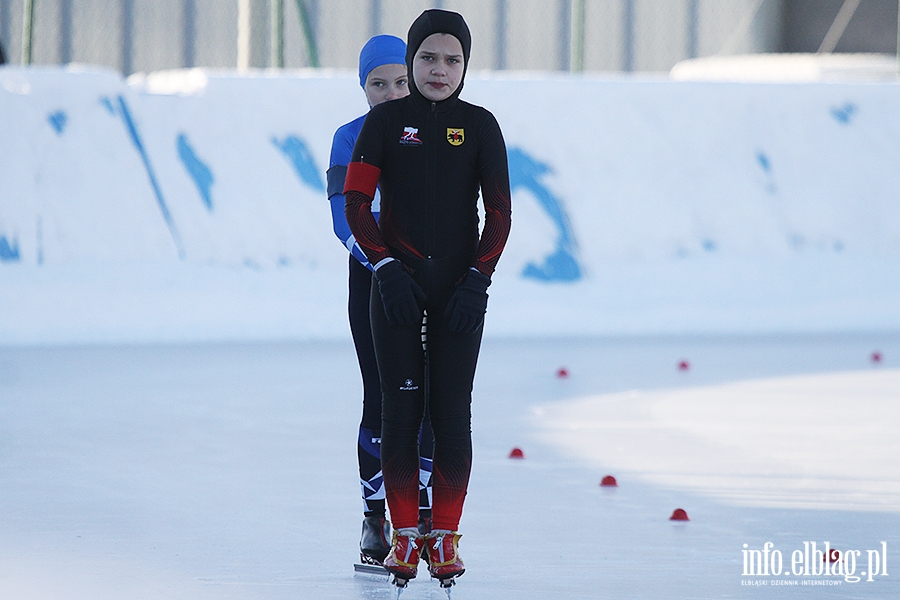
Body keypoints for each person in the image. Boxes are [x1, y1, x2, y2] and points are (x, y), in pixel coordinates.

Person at [344, 9, 512, 585]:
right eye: (428, 58)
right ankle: (402, 537)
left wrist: (478, 280)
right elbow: (357, 205)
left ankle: (444, 535)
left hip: (458, 294)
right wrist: (386, 268)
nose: (440, 70)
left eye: (453, 59)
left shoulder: (482, 125)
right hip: (396, 289)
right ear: (412, 60)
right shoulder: (385, 123)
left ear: (466, 65)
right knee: (399, 411)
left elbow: (500, 213)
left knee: (451, 416)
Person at [326, 34, 435, 567]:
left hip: (431, 281)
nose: (391, 94)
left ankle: (430, 518)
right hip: (374, 283)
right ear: (364, 88)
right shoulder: (349, 138)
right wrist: (385, 267)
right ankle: (376, 520)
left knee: (435, 401)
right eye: (378, 85)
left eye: (399, 82)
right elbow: (343, 218)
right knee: (383, 398)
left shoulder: (441, 129)